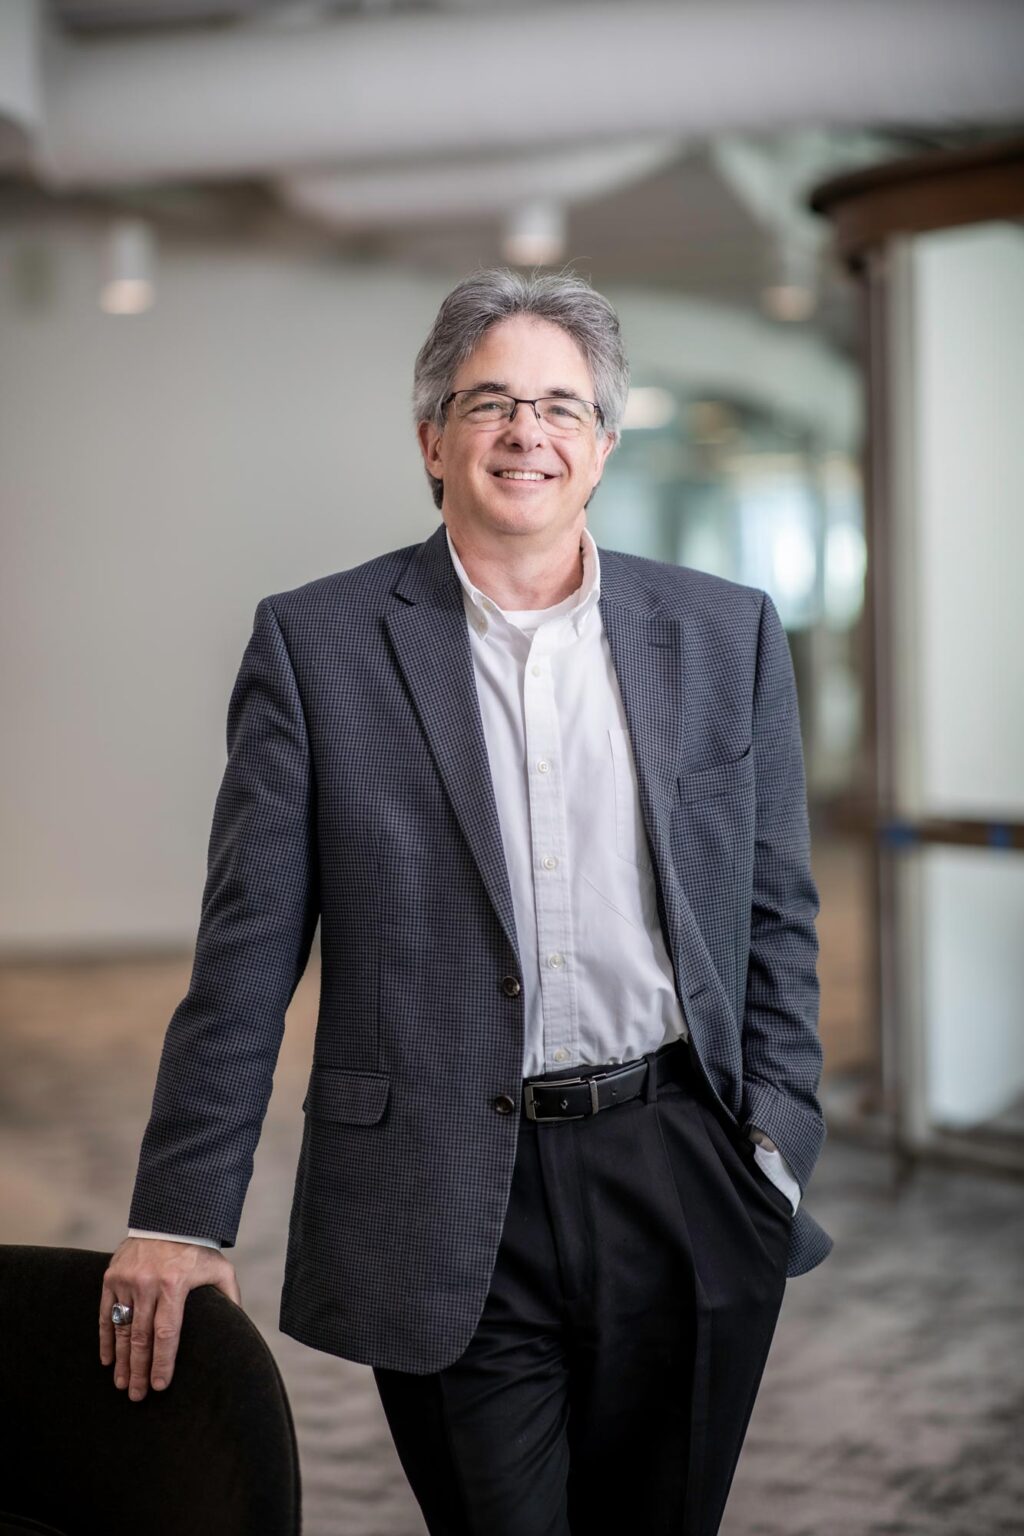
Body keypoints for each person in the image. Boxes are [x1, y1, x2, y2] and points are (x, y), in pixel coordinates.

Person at [100, 267, 832, 1535]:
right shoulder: (317, 644)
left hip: (681, 1159)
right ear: (431, 438)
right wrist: (179, 1212)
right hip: (439, 1178)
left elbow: (774, 913)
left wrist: (772, 1141)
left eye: (559, 405)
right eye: (487, 401)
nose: (524, 432)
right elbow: (246, 951)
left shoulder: (724, 632)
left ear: (602, 442)